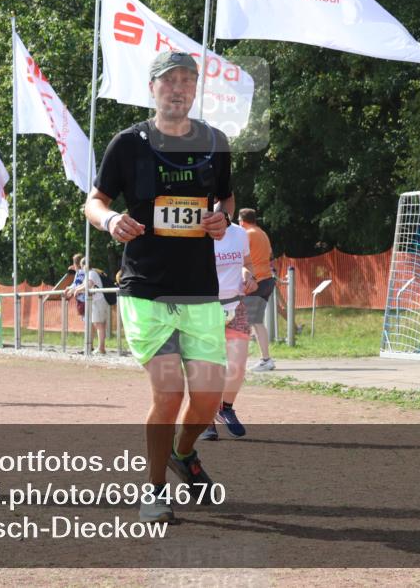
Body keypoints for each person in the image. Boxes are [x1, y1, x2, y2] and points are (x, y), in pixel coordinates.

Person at [84, 50, 234, 523]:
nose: (179, 88)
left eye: (187, 80)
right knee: (168, 392)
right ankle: (153, 491)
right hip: (145, 287)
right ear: (152, 88)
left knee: (208, 400)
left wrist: (223, 217)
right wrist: (110, 221)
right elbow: (95, 200)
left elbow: (227, 196)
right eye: (169, 80)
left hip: (199, 289)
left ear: (195, 90)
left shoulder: (215, 142)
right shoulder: (129, 143)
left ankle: (183, 453)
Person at [201, 215, 257, 440]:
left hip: (236, 305)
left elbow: (247, 264)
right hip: (205, 308)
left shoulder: (239, 233)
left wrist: (248, 276)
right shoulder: (197, 234)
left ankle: (225, 408)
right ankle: (205, 419)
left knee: (237, 366)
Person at [239, 208, 276, 371]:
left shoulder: (247, 234)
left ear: (242, 220)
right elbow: (269, 255)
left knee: (254, 322)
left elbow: (239, 255)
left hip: (257, 281)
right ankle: (262, 358)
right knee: (254, 321)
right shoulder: (262, 233)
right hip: (266, 279)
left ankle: (265, 359)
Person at [65, 257, 108, 354]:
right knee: (97, 324)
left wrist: (77, 290)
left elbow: (88, 284)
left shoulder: (92, 273)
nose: (81, 268)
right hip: (95, 302)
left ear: (85, 265)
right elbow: (83, 285)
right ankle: (99, 348)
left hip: (98, 301)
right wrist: (75, 289)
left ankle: (101, 348)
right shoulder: (89, 274)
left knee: (99, 324)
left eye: (82, 266)